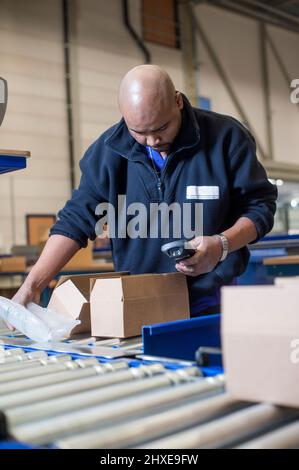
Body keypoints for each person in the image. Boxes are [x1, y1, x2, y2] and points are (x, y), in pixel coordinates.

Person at [11, 64, 277, 320]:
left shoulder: (226, 138)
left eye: (162, 128)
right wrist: (33, 284)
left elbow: (260, 207)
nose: (153, 141)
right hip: (139, 305)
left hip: (213, 304)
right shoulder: (107, 153)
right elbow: (75, 220)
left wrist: (222, 245)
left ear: (178, 102)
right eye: (139, 132)